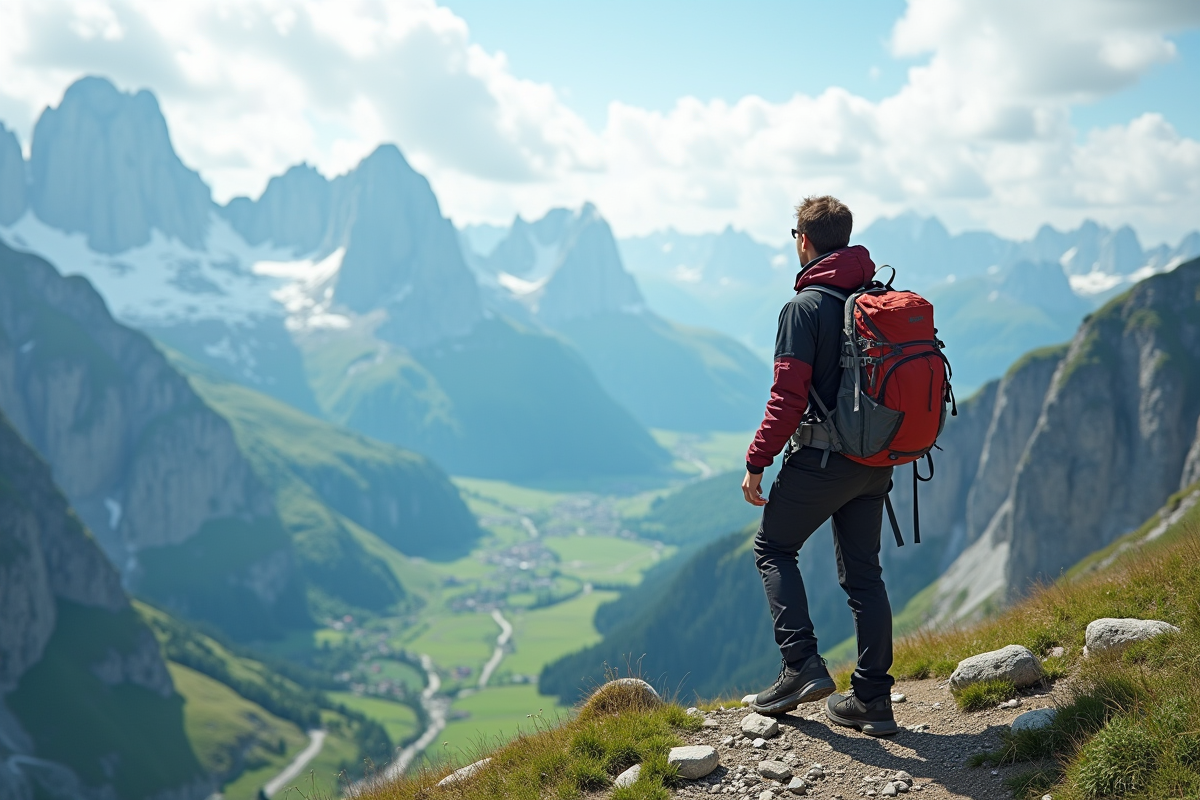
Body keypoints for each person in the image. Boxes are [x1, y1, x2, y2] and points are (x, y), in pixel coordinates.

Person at [740, 195, 898, 736]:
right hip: (876, 460)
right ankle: (874, 700)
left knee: (773, 547)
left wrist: (757, 462)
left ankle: (800, 664)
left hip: (824, 459)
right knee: (864, 575)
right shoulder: (872, 295)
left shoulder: (804, 309)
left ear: (803, 241)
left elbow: (786, 398)